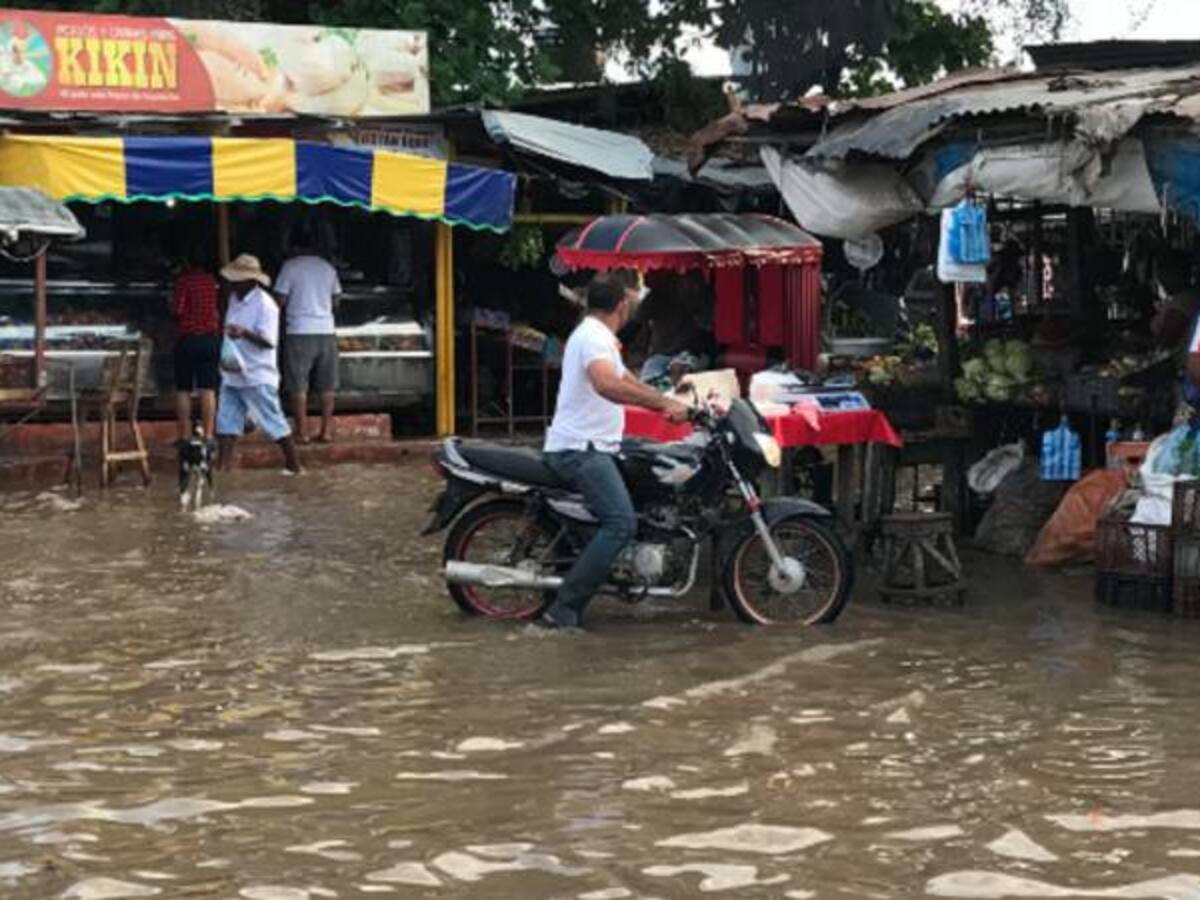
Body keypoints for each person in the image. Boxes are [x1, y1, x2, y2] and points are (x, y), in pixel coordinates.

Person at [539, 271, 691, 630]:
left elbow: (624, 379)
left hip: (596, 443)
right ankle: (563, 609)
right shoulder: (594, 337)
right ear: (622, 306)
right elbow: (606, 384)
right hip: (581, 449)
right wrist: (662, 403)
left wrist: (666, 398)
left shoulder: (597, 335)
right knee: (621, 523)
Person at [216, 254, 302, 475]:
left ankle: (294, 465)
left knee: (273, 420)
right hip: (233, 370)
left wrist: (244, 333)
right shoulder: (234, 299)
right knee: (226, 422)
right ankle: (223, 467)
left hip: (257, 373)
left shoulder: (266, 305)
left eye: (238, 280)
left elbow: (269, 342)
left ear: (251, 281)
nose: (233, 284)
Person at [275, 230, 342, 444]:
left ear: (295, 247)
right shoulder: (328, 268)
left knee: (298, 384)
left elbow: (280, 300)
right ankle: (326, 431)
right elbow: (336, 301)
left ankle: (302, 432)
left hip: (299, 331)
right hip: (327, 330)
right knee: (327, 385)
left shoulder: (290, 267)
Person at [623, 271, 716, 385]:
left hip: (692, 353)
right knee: (648, 383)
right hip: (661, 354)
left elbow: (705, 333)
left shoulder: (704, 296)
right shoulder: (657, 295)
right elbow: (636, 324)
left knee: (681, 374)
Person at [169, 251, 222, 442]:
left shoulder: (184, 282)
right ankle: (208, 434)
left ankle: (184, 435)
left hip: (188, 339)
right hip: (210, 339)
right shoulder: (212, 282)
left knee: (183, 389)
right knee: (208, 388)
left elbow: (177, 310)